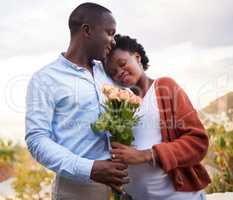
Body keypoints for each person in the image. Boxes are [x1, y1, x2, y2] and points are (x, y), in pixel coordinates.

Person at [25, 3, 129, 200]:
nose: (113, 41)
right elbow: (36, 139)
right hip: (77, 190)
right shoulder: (45, 79)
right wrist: (89, 169)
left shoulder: (110, 72)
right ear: (87, 30)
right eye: (110, 33)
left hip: (124, 186)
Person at [106, 34, 211, 200]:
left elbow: (198, 142)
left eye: (122, 63)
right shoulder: (121, 104)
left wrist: (146, 155)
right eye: (113, 72)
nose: (119, 72)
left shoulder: (164, 87)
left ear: (137, 57)